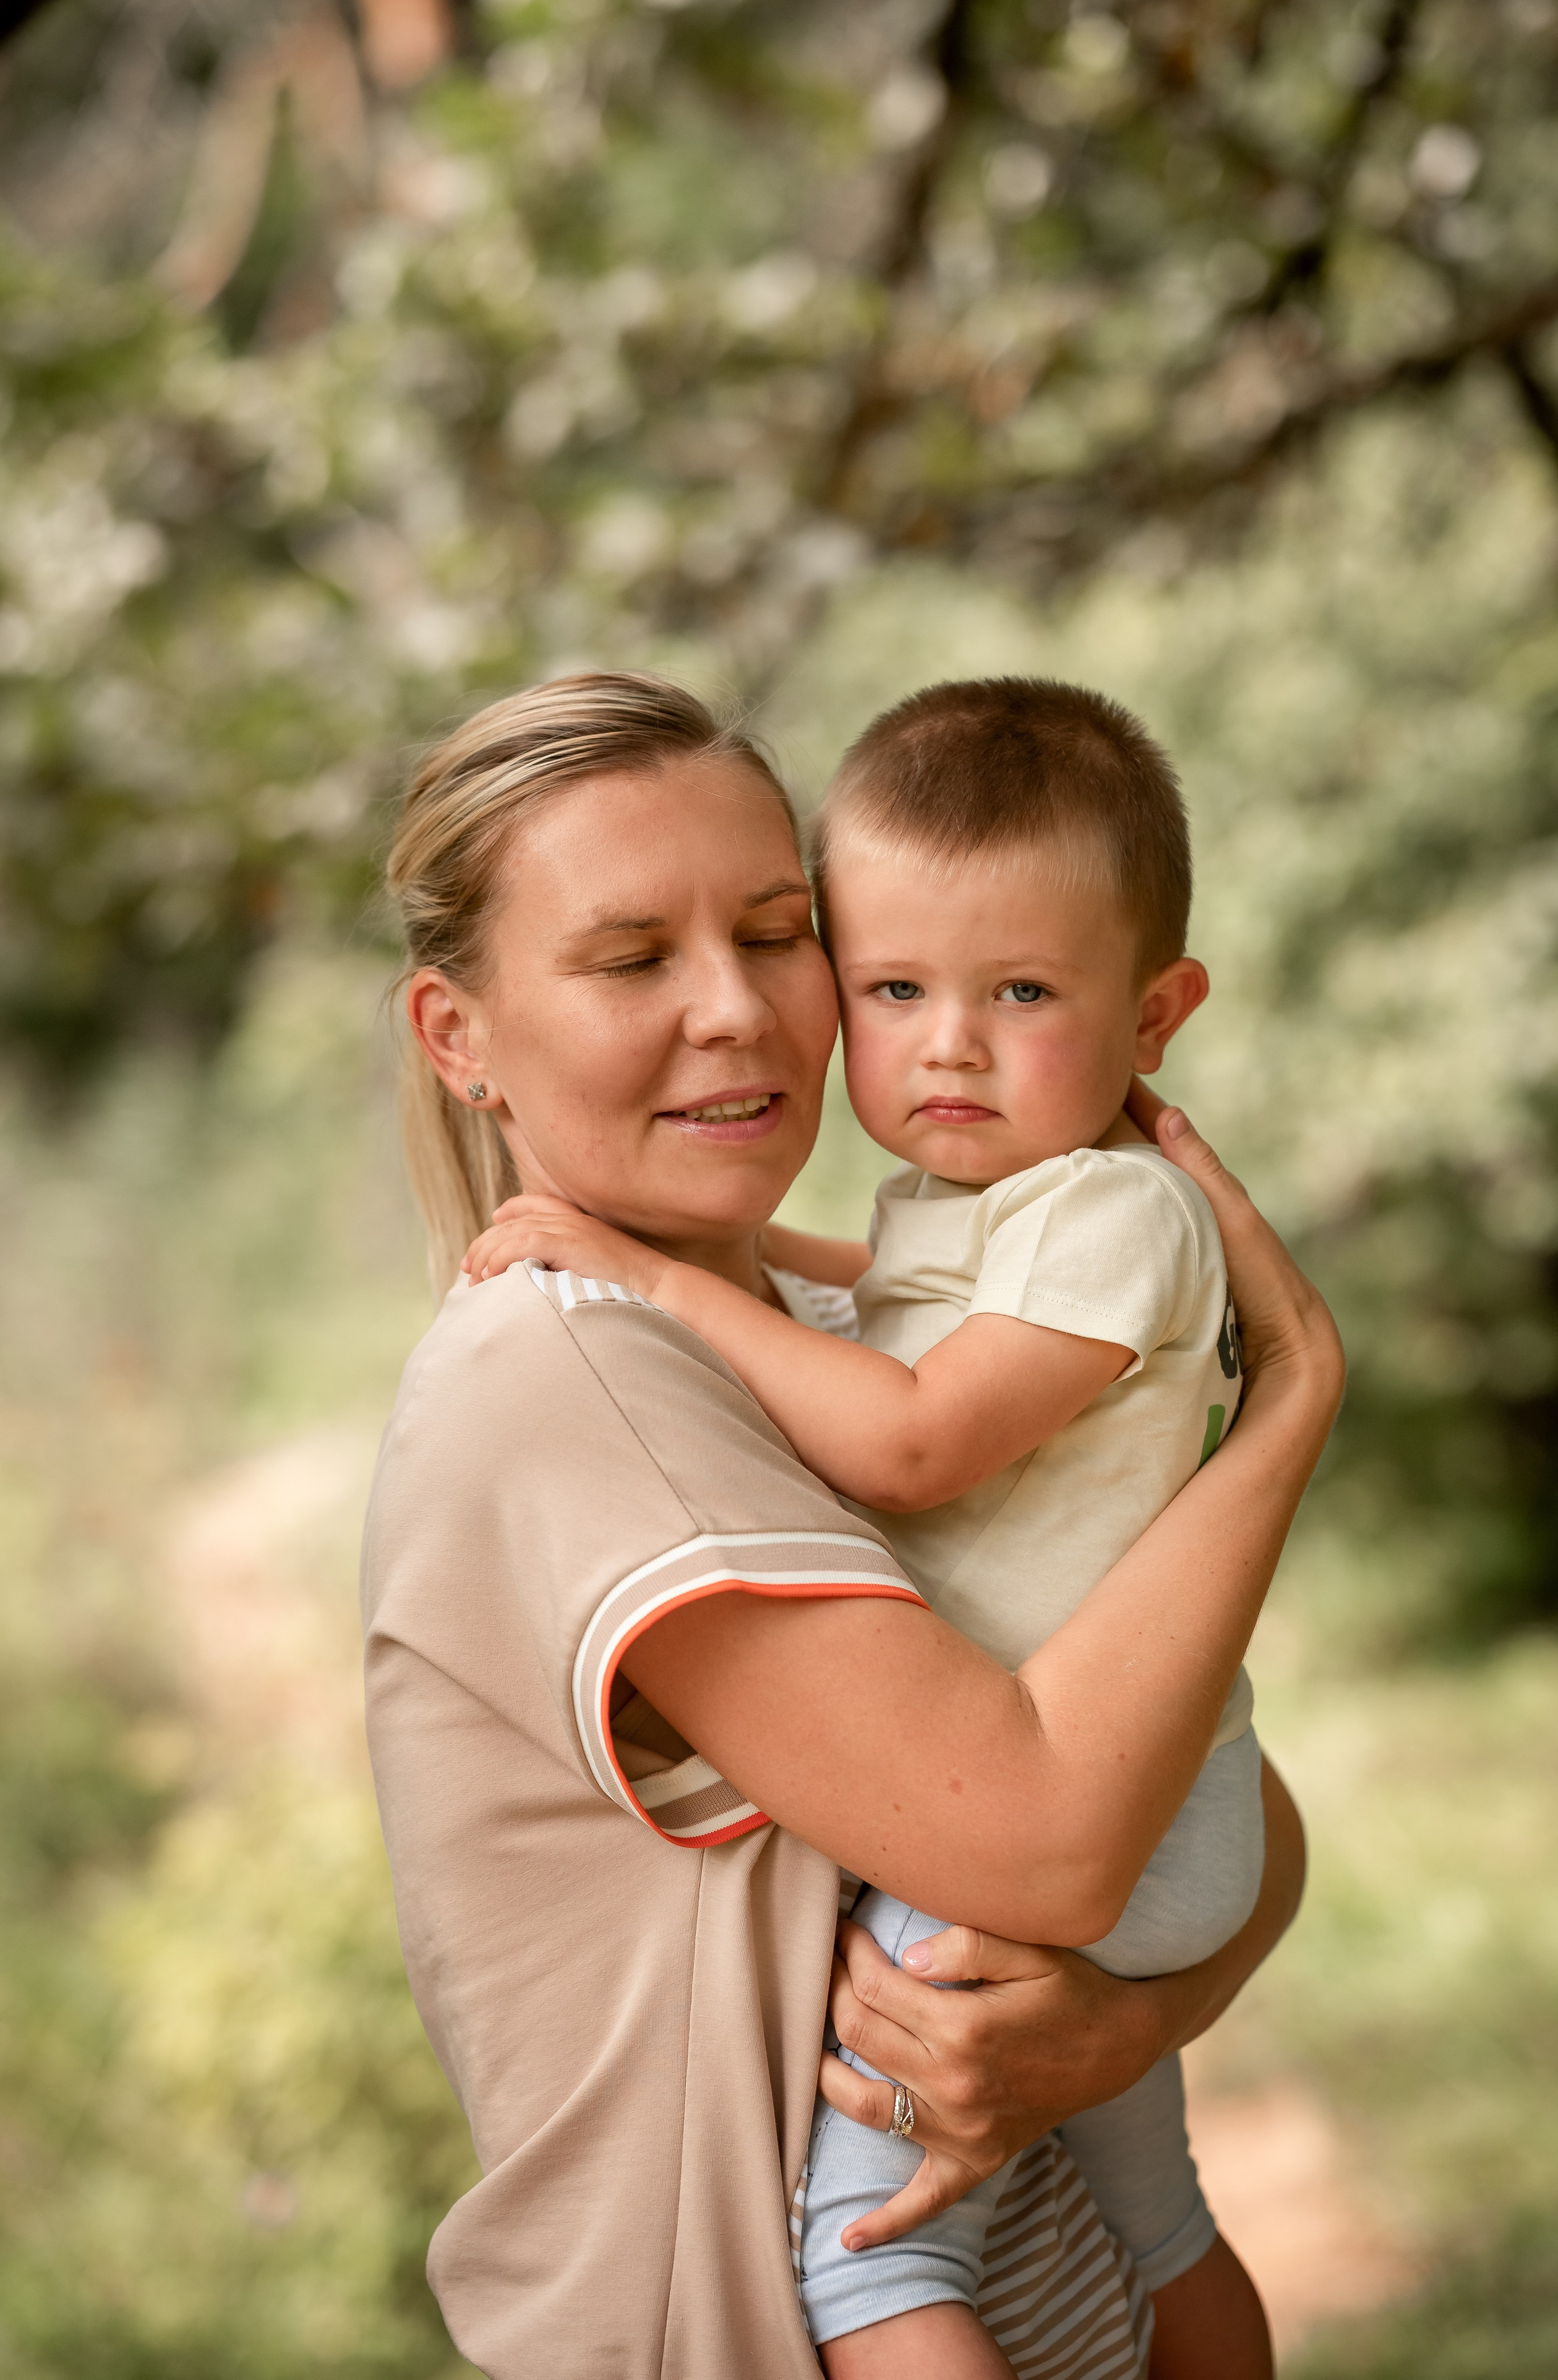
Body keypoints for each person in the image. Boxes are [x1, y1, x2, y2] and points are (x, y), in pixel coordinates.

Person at [362, 671, 1343, 2380]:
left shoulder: (822, 1343)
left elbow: (1238, 1814)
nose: (736, 1010)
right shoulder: (578, 1380)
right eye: (630, 958)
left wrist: (1118, 2030)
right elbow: (1055, 1843)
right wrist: (1292, 1404)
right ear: (460, 1036)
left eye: (774, 930)